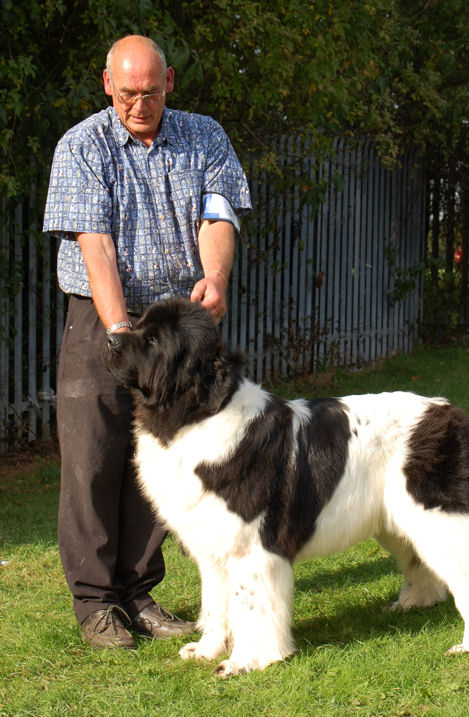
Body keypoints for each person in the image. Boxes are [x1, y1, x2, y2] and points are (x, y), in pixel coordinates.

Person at [43, 35, 251, 648]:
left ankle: (139, 592)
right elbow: (97, 245)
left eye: (151, 93)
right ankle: (95, 603)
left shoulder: (205, 137)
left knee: (164, 458)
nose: (140, 104)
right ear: (108, 84)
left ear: (171, 85)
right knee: (94, 458)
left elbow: (219, 215)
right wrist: (117, 333)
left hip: (178, 324)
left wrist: (213, 279)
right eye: (129, 93)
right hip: (101, 316)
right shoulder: (81, 147)